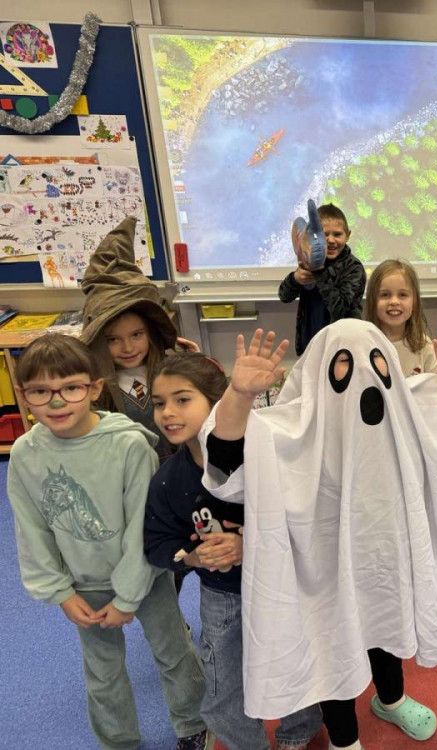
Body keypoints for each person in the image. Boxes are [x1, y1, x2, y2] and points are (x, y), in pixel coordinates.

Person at [199, 322, 437, 750]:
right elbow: (226, 460)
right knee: (333, 646)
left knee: (386, 628)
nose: (363, 375)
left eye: (375, 361)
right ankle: (344, 738)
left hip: (386, 557)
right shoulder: (294, 428)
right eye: (344, 364)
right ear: (318, 371)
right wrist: (238, 396)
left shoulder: (406, 410)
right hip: (324, 571)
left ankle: (391, 698)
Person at [6, 334, 208, 750]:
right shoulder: (25, 453)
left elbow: (144, 528)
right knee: (102, 670)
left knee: (173, 653)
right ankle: (118, 740)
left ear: (95, 387)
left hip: (145, 579)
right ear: (23, 395)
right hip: (83, 584)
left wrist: (128, 597)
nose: (56, 402)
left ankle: (193, 725)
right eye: (41, 391)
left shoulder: (129, 445)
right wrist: (60, 592)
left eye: (71, 387)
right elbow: (32, 528)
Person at [142, 353, 323, 750]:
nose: (168, 412)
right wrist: (192, 557)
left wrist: (250, 544)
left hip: (280, 586)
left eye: (182, 399)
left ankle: (300, 731)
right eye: (159, 403)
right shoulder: (168, 480)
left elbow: (305, 522)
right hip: (222, 596)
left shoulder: (264, 457)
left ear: (218, 401)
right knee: (223, 686)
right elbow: (156, 543)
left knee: (293, 661)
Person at [80, 216, 197, 464]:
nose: (128, 348)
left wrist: (194, 368)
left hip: (174, 468)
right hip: (125, 472)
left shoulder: (169, 368)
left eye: (136, 335)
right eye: (113, 339)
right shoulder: (95, 387)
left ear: (151, 332)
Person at [278, 201, 366, 355]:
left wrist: (319, 272)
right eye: (324, 234)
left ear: (348, 235)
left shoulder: (353, 268)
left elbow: (340, 310)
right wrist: (295, 279)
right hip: (310, 346)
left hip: (342, 348)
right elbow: (284, 296)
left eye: (337, 234)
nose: (330, 240)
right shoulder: (307, 262)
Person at [363, 259, 437, 377]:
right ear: (373, 301)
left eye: (402, 295)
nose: (394, 301)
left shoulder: (423, 345)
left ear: (414, 302)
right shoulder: (363, 344)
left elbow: (435, 384)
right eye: (385, 295)